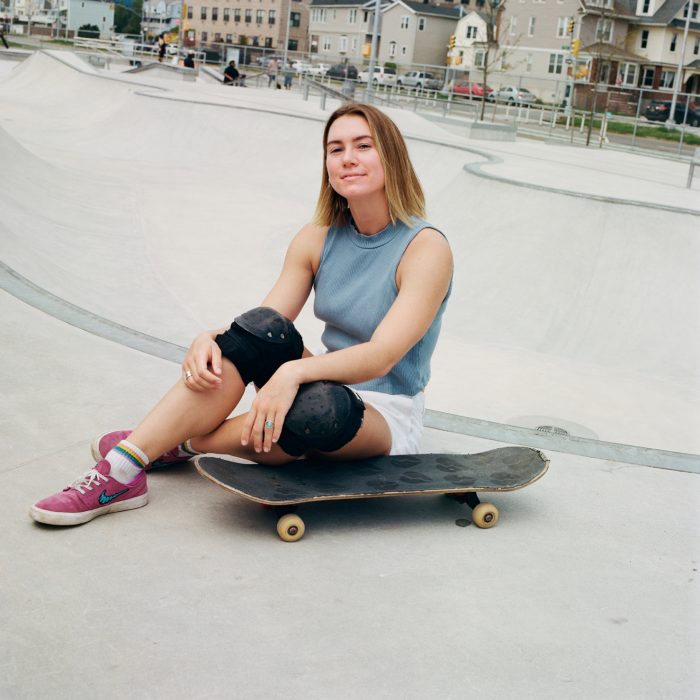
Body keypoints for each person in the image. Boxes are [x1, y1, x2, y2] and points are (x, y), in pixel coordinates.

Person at [29, 102, 453, 527]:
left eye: (363, 146)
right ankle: (122, 471)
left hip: (386, 412)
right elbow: (263, 325)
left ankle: (179, 441)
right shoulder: (316, 238)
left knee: (319, 409)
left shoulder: (425, 248)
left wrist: (293, 373)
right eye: (335, 149)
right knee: (264, 330)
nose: (348, 159)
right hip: (324, 379)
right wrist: (210, 338)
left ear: (390, 156)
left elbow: (382, 356)